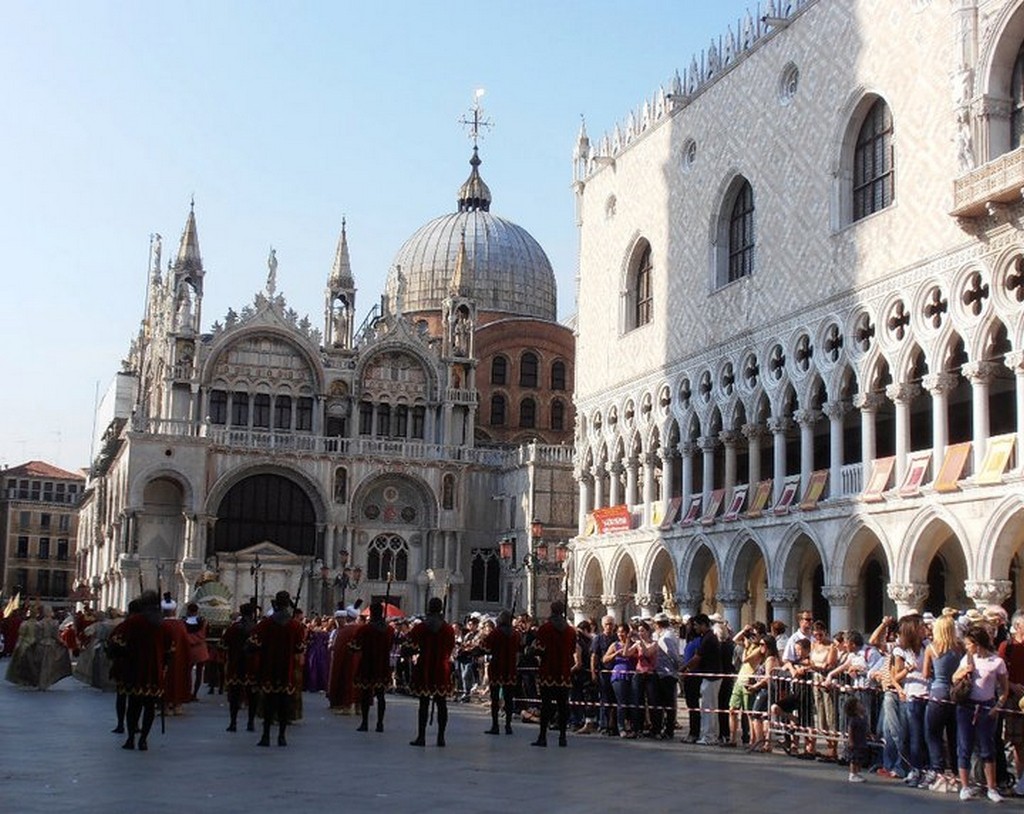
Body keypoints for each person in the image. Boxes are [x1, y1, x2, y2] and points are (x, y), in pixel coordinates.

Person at [107, 591, 172, 751]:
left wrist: (120, 655)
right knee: (149, 706)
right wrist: (162, 665)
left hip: (134, 669)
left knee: (134, 705)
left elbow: (116, 642)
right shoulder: (163, 625)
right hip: (154, 670)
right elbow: (170, 650)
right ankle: (143, 740)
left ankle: (130, 739)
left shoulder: (134, 622)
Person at [954, 625, 1009, 802]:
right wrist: (964, 671)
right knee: (965, 746)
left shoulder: (996, 662)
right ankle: (965, 786)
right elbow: (954, 678)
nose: (967, 647)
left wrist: (998, 706)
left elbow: (1004, 688)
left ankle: (991, 788)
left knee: (987, 748)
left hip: (986, 707)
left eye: (969, 644)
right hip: (966, 706)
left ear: (978, 644)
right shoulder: (967, 659)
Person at [249, 590, 306, 747]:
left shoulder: (266, 623)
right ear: (288, 604)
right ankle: (282, 736)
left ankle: (266, 736)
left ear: (275, 602)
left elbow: (253, 643)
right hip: (287, 669)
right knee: (284, 703)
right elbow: (300, 648)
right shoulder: (295, 626)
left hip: (268, 668)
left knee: (268, 703)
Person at [407, 597, 456, 747]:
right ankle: (441, 738)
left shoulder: (421, 627)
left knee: (424, 703)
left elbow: (410, 646)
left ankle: (421, 737)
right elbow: (450, 647)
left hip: (425, 665)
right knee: (442, 703)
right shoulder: (448, 629)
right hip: (442, 667)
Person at [531, 600, 577, 748]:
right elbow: (572, 651)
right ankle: (562, 737)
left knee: (546, 706)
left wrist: (532, 650)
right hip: (564, 672)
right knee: (563, 706)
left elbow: (539, 649)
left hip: (548, 671)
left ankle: (542, 737)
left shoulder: (545, 628)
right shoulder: (570, 631)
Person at [352, 601, 394, 733]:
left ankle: (364, 723)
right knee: (381, 695)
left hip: (368, 663)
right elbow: (391, 645)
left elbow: (355, 647)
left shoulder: (364, 629)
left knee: (365, 694)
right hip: (382, 664)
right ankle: (380, 724)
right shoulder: (389, 630)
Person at [481, 609, 520, 735]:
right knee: (509, 698)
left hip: (497, 667)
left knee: (495, 698)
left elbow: (485, 647)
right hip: (510, 668)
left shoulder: (496, 633)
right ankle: (508, 726)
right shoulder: (515, 634)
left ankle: (495, 725)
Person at [221, 601, 258, 733]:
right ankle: (250, 722)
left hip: (235, 664)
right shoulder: (255, 628)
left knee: (234, 695)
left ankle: (233, 722)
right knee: (252, 695)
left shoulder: (233, 628)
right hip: (251, 666)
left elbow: (223, 644)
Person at [183, 602, 209, 701]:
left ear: (188, 610)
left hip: (189, 649)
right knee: (199, 673)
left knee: (187, 673)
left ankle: (187, 692)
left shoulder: (183, 621)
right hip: (200, 649)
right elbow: (205, 634)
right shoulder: (203, 621)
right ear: (197, 611)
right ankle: (195, 694)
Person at [846, 695, 869, 783]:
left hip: (861, 741)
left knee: (859, 758)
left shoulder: (863, 717)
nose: (861, 705)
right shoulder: (854, 719)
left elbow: (865, 729)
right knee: (854, 759)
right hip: (856, 741)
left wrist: (869, 734)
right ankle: (852, 774)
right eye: (859, 704)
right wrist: (850, 740)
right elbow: (850, 730)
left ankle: (856, 773)